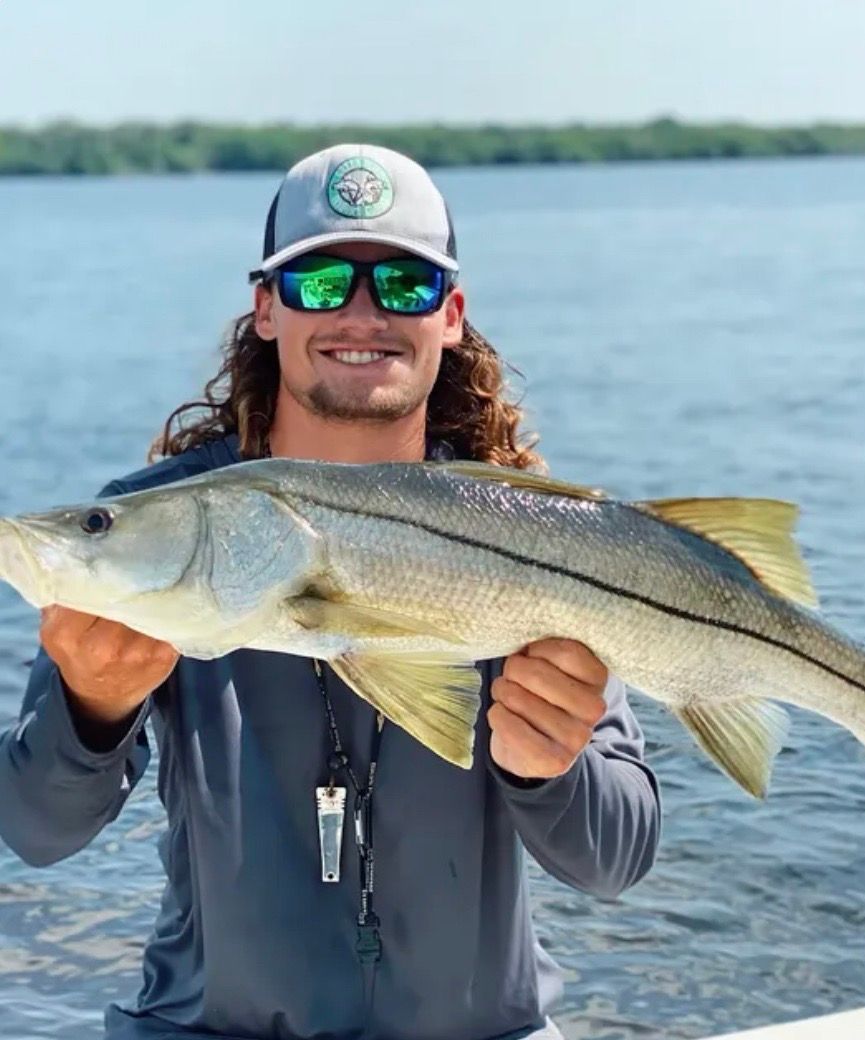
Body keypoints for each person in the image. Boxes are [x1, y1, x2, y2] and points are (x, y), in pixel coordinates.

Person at [0, 144, 661, 1040]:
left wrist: (551, 773)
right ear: (266, 309)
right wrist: (89, 713)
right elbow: (35, 832)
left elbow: (617, 858)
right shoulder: (157, 529)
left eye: (404, 285)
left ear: (451, 315)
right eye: (318, 283)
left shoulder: (539, 539)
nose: (362, 312)